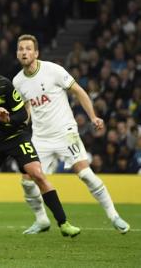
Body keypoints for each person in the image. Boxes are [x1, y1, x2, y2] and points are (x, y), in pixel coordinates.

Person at [0, 46, 81, 240]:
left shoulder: (3, 85)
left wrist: (8, 119)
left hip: (15, 137)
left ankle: (64, 224)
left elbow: (22, 114)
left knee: (37, 174)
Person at [13, 34, 130, 234]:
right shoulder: (17, 81)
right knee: (26, 180)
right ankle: (41, 220)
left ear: (36, 52)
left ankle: (114, 215)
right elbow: (27, 108)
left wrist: (93, 117)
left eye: (28, 48)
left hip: (65, 132)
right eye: (20, 49)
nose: (24, 52)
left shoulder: (53, 70)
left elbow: (79, 91)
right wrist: (19, 127)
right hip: (40, 138)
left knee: (85, 174)